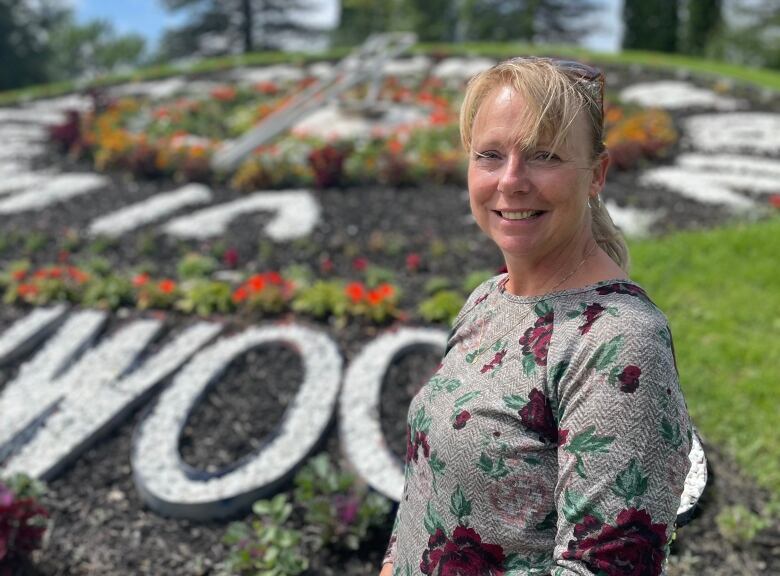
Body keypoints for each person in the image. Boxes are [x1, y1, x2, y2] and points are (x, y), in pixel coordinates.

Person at [379, 57, 693, 576]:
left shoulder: (618, 342)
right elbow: (425, 499)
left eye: (543, 156)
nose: (512, 180)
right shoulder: (489, 298)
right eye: (490, 155)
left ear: (596, 174)